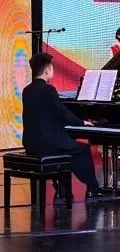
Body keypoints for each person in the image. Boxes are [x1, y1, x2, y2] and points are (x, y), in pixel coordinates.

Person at [22, 53, 109, 199]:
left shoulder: (27, 90)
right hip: (48, 143)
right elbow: (63, 113)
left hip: (31, 144)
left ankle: (62, 190)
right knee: (82, 150)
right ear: (47, 71)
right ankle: (93, 188)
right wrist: (82, 122)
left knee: (68, 145)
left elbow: (46, 114)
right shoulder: (48, 89)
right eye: (52, 69)